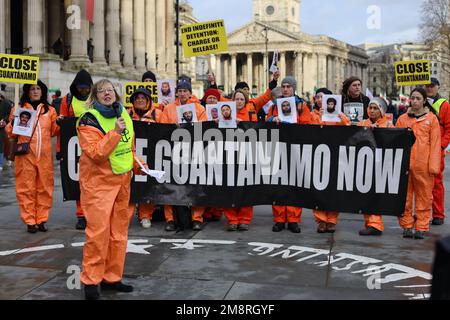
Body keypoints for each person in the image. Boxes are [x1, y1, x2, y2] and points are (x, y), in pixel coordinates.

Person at [77, 79, 149, 300]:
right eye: (101, 91)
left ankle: (112, 277)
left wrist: (138, 164)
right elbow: (97, 153)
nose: (107, 94)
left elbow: (128, 148)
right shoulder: (88, 119)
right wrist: (115, 132)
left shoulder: (123, 114)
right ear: (95, 96)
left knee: (118, 234)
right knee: (98, 234)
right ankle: (91, 280)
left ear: (115, 94)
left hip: (122, 183)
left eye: (110, 90)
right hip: (98, 185)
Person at [5, 80, 59, 233]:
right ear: (27, 92)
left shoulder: (49, 110)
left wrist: (60, 123)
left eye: (38, 89)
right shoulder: (19, 109)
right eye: (32, 89)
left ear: (42, 92)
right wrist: (13, 122)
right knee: (26, 188)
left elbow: (54, 131)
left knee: (45, 189)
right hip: (25, 156)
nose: (35, 91)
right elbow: (10, 132)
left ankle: (41, 219)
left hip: (44, 156)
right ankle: (30, 220)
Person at [160, 79, 207, 231]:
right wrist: (173, 128)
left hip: (193, 152)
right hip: (173, 151)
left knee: (195, 185)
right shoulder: (168, 108)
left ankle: (197, 218)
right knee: (170, 185)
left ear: (190, 92)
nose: (182, 93)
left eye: (185, 91)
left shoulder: (199, 108)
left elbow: (205, 127)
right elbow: (162, 127)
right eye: (179, 91)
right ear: (177, 93)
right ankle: (170, 219)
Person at [266, 76, 310, 233]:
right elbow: (266, 121)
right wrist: (272, 119)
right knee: (277, 185)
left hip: (294, 149)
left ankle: (293, 219)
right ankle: (279, 219)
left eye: (288, 86)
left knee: (293, 186)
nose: (285, 89)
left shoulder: (301, 106)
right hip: (277, 148)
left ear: (293, 88)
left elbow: (307, 125)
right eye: (283, 86)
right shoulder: (274, 106)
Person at [396, 87, 441, 239]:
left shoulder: (431, 119)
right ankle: (407, 226)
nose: (414, 101)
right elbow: (395, 141)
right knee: (405, 197)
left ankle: (422, 226)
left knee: (424, 197)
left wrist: (433, 166)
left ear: (423, 101)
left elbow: (435, 144)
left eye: (418, 99)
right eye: (412, 98)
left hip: (424, 166)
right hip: (405, 165)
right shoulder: (402, 119)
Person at [57, 69, 94, 230]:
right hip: (74, 147)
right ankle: (81, 215)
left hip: (92, 146)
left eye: (86, 87)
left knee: (93, 183)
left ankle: (92, 213)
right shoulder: (68, 100)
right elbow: (62, 123)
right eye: (81, 87)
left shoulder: (94, 99)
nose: (83, 90)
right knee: (78, 181)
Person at [312, 89, 351, 233]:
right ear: (315, 100)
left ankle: (332, 220)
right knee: (318, 190)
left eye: (324, 97)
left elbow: (347, 127)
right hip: (318, 156)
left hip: (335, 156)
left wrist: (340, 115)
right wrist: (320, 118)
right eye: (318, 97)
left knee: (334, 190)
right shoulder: (313, 115)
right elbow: (309, 131)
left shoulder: (338, 115)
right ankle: (321, 220)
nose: (320, 100)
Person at [127, 88, 164, 229]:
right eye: (137, 98)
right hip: (130, 156)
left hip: (151, 156)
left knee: (147, 186)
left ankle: (145, 216)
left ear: (148, 100)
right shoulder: (126, 114)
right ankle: (126, 218)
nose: (140, 100)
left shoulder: (158, 114)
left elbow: (168, 130)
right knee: (130, 188)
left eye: (143, 98)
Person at [357, 98, 393, 236]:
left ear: (382, 111)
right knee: (365, 195)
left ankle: (375, 224)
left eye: (375, 108)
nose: (372, 111)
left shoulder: (388, 125)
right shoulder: (362, 123)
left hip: (380, 166)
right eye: (370, 108)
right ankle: (370, 223)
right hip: (364, 165)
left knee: (376, 194)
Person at [426, 77, 450, 225]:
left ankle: (438, 214)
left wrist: (441, 146)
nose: (429, 88)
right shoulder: (418, 101)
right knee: (420, 184)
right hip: (421, 149)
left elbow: (449, 128)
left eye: (432, 85)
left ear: (438, 87)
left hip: (436, 149)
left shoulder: (444, 105)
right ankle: (423, 213)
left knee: (436, 183)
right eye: (427, 86)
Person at [0, 92, 13, 170]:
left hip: (2, 128)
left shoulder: (6, 103)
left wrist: (5, 120)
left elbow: (10, 115)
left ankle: (1, 163)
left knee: (2, 144)